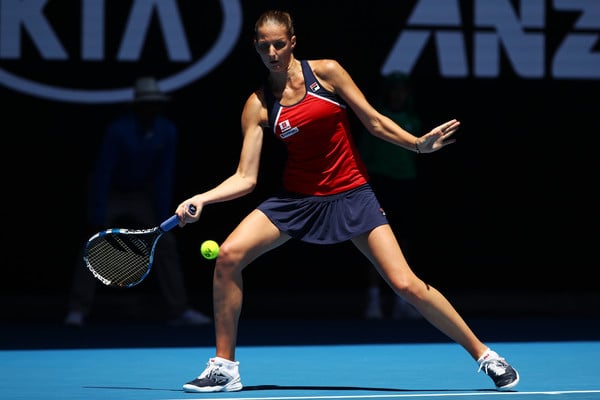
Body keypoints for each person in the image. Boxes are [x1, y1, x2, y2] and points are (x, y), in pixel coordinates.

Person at [174, 10, 519, 392]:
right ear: (255, 48)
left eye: (278, 44)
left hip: (351, 193)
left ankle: (487, 356)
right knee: (228, 256)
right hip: (297, 199)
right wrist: (202, 198)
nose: (271, 52)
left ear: (292, 43)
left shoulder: (327, 73)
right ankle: (225, 367)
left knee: (406, 285)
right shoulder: (257, 105)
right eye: (263, 46)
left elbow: (373, 121)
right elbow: (246, 177)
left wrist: (417, 145)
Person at [64, 76, 211, 327]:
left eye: (155, 103)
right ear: (137, 106)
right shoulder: (118, 130)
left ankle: (179, 310)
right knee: (93, 242)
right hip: (113, 193)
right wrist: (98, 211)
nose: (150, 108)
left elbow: (165, 174)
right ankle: (77, 309)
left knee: (166, 242)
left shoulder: (167, 131)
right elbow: (103, 172)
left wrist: (163, 214)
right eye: (146, 103)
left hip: (142, 195)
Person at [357, 72, 422, 320]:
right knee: (374, 246)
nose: (398, 94)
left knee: (402, 244)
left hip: (404, 186)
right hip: (378, 185)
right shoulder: (376, 123)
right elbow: (363, 156)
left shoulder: (413, 122)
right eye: (394, 90)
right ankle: (373, 301)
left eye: (402, 90)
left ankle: (402, 301)